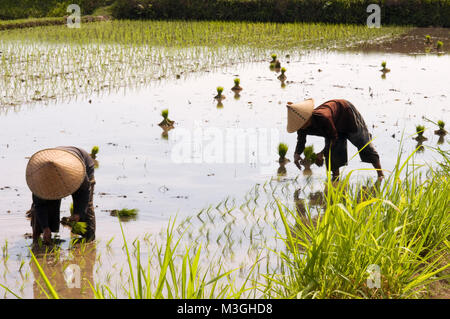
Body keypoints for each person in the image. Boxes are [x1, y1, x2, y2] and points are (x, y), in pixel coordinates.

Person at [286, 98, 384, 181]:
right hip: (333, 128)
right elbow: (301, 141)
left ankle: (380, 174)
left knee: (363, 143)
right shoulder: (301, 126)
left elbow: (334, 137)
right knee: (332, 151)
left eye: (303, 123)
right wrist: (297, 154)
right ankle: (336, 178)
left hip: (347, 115)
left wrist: (321, 154)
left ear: (308, 117)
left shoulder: (323, 118)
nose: (302, 127)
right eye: (300, 125)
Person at [26, 146, 96, 244]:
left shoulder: (78, 171)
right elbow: (39, 204)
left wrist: (78, 213)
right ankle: (40, 236)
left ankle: (87, 239)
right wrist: (45, 227)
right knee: (47, 202)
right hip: (52, 167)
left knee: (86, 209)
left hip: (81, 163)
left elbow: (85, 192)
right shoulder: (39, 178)